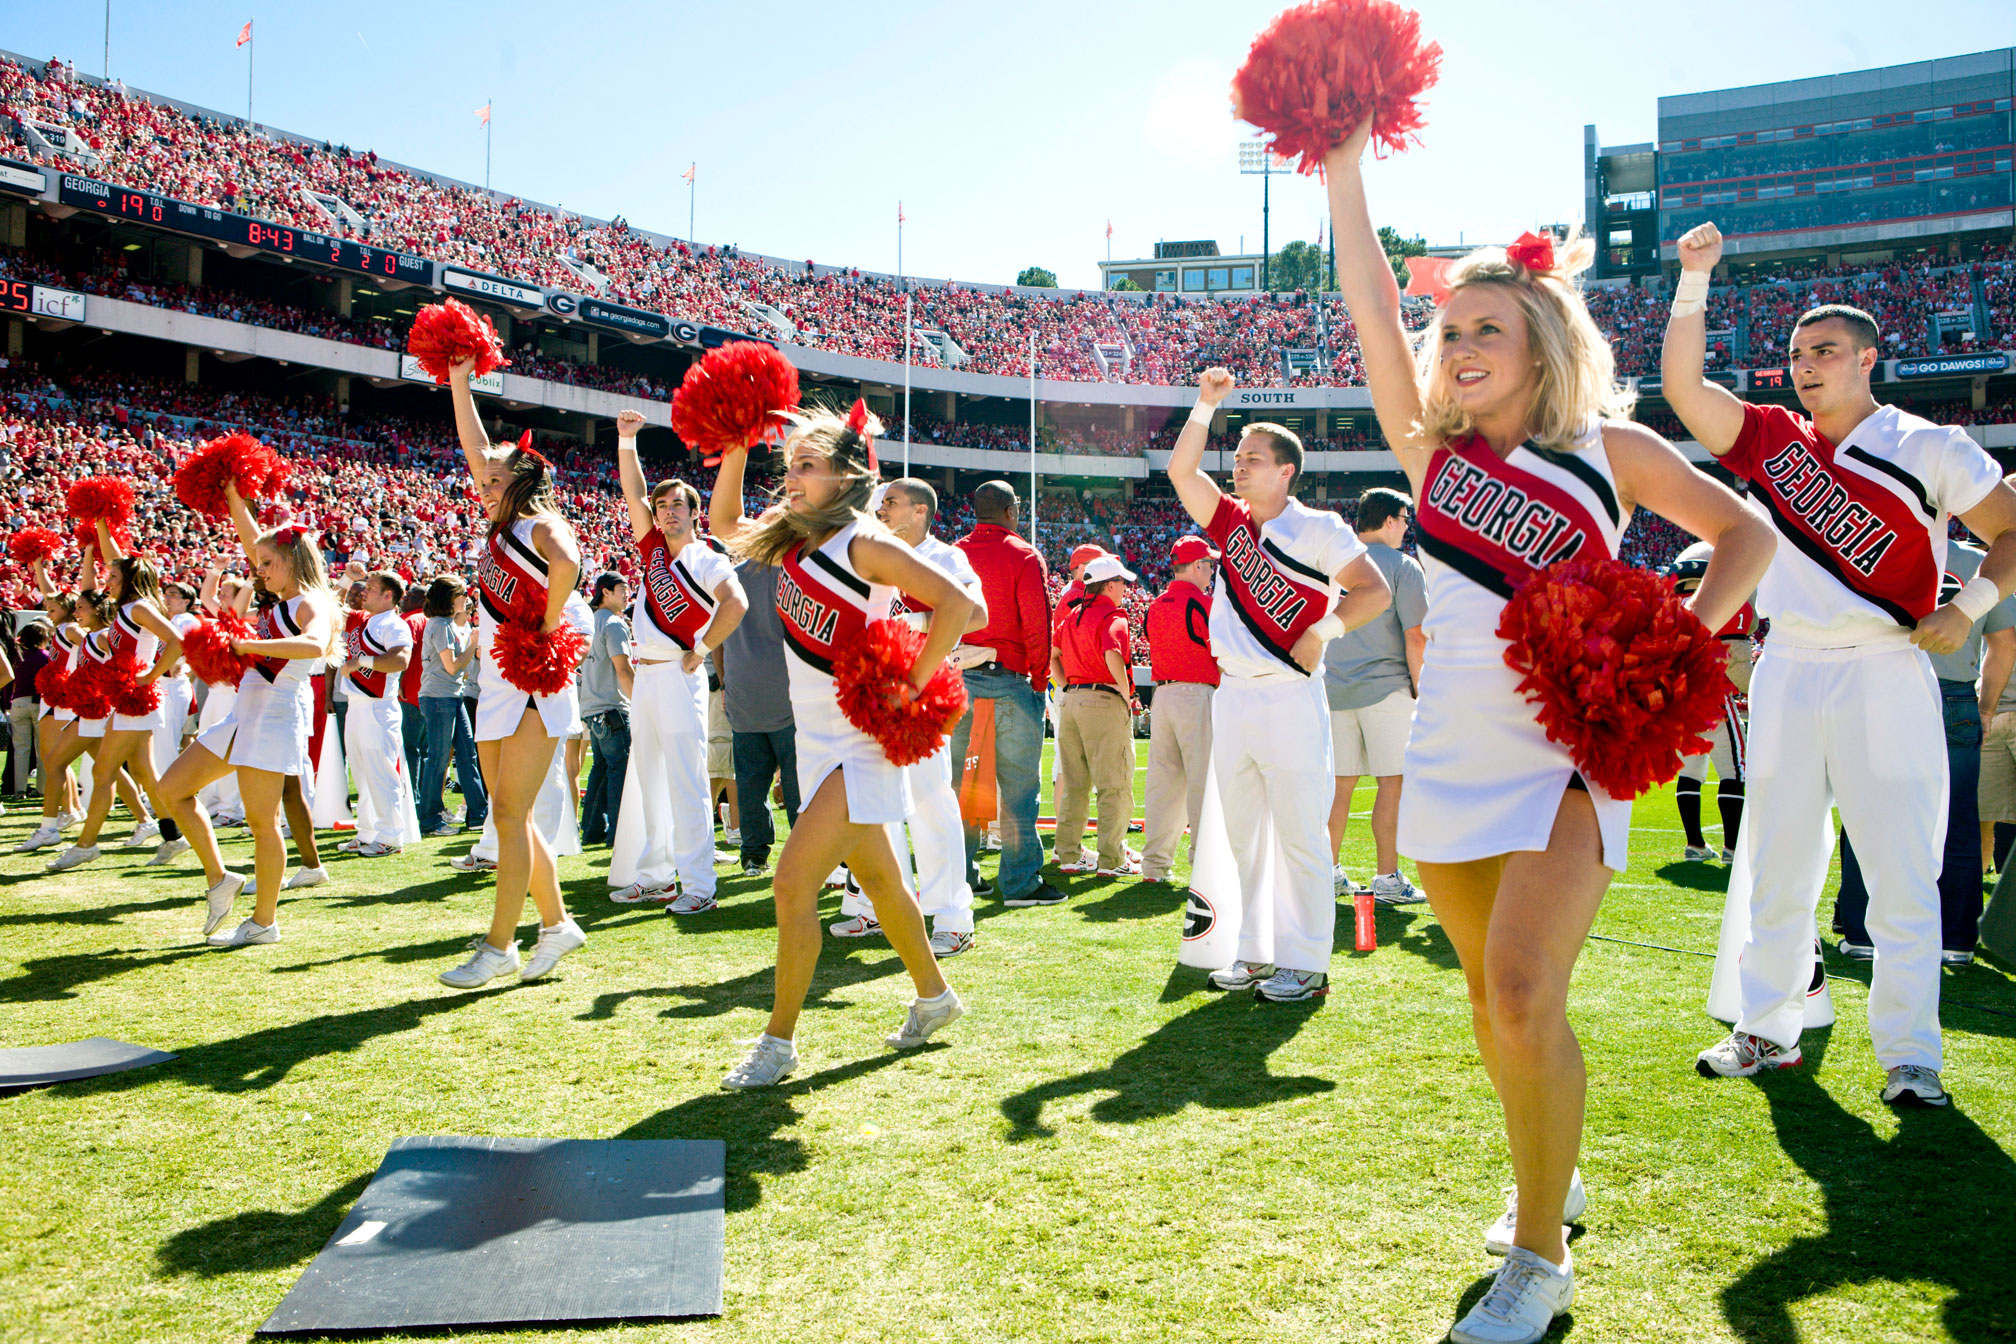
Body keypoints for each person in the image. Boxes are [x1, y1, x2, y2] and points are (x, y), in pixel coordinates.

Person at [1331, 122, 1773, 1343]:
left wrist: (1675, 641)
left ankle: (1540, 1257)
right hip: (1452, 746)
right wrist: (1343, 176)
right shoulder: (1429, 457)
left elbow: (1750, 537)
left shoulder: (1611, 450)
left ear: (1540, 340)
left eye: (1487, 328)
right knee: (1490, 1004)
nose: (1460, 347)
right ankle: (1549, 1168)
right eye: (1451, 331)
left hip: (1570, 751)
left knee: (1525, 992)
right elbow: (1370, 301)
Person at [1667, 221, 2016, 1112]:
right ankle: (1767, 1028)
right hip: (1786, 667)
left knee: (1902, 872)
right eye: (1794, 353)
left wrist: (1967, 607)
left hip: (1885, 669)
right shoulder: (1773, 440)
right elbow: (1682, 390)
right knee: (1778, 867)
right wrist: (1695, 280)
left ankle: (1912, 1055)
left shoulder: (1929, 443)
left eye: (1824, 350)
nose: (1803, 365)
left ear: (1869, 357)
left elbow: (2011, 528)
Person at [708, 404, 975, 1088]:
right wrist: (737, 444)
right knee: (883, 882)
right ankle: (935, 996)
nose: (791, 478)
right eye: (788, 464)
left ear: (846, 475)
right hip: (813, 737)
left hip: (860, 740)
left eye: (807, 466)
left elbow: (960, 608)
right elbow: (723, 527)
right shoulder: (794, 538)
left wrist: (911, 686)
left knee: (794, 882)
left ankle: (778, 1043)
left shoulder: (865, 543)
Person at [1168, 381, 1393, 1004]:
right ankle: (1257, 951)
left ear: (1286, 471)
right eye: (1237, 459)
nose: (1239, 466)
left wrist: (1323, 630)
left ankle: (1307, 961)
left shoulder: (1320, 526)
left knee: (1300, 832)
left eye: (1253, 459)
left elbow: (1374, 592)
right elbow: (1181, 469)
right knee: (1245, 836)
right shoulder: (1231, 524)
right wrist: (1206, 405)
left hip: (1291, 697)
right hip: (1232, 695)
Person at [434, 358, 591, 988]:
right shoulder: (502, 524)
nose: (482, 482)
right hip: (499, 685)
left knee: (506, 815)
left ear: (522, 482)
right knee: (514, 816)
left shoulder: (536, 523)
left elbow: (570, 563)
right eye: (482, 477)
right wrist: (459, 382)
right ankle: (557, 925)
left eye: (494, 478)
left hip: (532, 683)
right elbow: (475, 446)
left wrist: (549, 625)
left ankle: (500, 945)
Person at [155, 486, 340, 947]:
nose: (258, 571)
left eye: (267, 564)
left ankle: (263, 922)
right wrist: (234, 494)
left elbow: (317, 645)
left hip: (276, 716)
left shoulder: (310, 602)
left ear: (292, 561)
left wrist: (249, 645)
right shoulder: (278, 597)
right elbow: (252, 537)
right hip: (243, 715)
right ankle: (221, 879)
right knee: (171, 790)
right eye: (256, 564)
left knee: (263, 822)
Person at [835, 478, 988, 955]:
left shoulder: (945, 557)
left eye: (892, 503)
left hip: (923, 689)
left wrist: (917, 622)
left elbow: (977, 613)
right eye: (880, 503)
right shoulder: (873, 555)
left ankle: (952, 915)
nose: (881, 510)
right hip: (876, 689)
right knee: (875, 800)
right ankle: (877, 909)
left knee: (928, 800)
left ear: (920, 511)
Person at [608, 407, 747, 910]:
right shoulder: (652, 552)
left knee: (687, 782)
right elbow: (632, 492)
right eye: (661, 504)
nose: (667, 511)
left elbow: (736, 604)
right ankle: (657, 873)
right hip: (645, 676)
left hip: (678, 673)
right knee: (649, 778)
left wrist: (703, 650)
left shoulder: (708, 557)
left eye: (677, 505)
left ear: (694, 512)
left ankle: (700, 886)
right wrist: (628, 441)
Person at [948, 481, 1066, 908]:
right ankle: (1018, 882)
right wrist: (1038, 681)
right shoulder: (1022, 554)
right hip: (1010, 678)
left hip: (961, 679)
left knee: (961, 788)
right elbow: (1037, 623)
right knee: (1017, 788)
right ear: (1012, 510)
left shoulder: (954, 553)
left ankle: (959, 878)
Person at [46, 520, 187, 872]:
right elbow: (115, 558)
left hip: (136, 700)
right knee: (143, 771)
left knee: (105, 770)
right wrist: (100, 521)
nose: (107, 580)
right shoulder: (125, 608)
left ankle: (86, 844)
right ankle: (174, 836)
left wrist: (151, 675)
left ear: (128, 580)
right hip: (128, 700)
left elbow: (177, 640)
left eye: (112, 577)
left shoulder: (140, 607)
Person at [1323, 486, 1427, 904]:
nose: (1406, 527)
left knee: (1339, 786)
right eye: (1405, 519)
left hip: (1334, 689)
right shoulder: (1404, 565)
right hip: (1386, 688)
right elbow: (1416, 637)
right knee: (1392, 783)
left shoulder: (1334, 564)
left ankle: (1326, 873)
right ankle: (1387, 878)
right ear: (1389, 520)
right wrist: (1421, 689)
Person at [1664, 542, 1756, 864]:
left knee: (1690, 773)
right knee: (1734, 771)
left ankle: (1695, 845)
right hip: (1717, 703)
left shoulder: (1671, 610)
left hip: (1684, 709)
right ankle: (1731, 848)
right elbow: (1740, 667)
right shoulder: (1732, 608)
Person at [1051, 555, 1140, 878]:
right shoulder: (1114, 616)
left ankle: (1070, 854)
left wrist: (1067, 686)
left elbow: (1053, 657)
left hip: (1072, 699)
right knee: (1113, 785)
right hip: (1103, 701)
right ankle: (1111, 859)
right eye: (1122, 584)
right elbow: (1113, 653)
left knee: (1075, 785)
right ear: (1111, 585)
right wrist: (1125, 693)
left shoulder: (1072, 615)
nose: (1125, 590)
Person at [1140, 536, 1218, 884]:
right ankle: (1203, 864)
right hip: (1196, 695)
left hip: (1163, 696)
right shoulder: (1203, 603)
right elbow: (1220, 653)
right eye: (1209, 564)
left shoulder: (1155, 604)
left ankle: (1154, 866)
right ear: (1197, 566)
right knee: (1202, 782)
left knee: (1162, 784)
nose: (1213, 570)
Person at [722, 554, 799, 877]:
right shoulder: (794, 573)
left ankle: (754, 855)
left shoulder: (728, 576)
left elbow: (718, 635)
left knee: (751, 783)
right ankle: (807, 854)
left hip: (743, 692)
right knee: (799, 783)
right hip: (787, 691)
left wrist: (727, 680)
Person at [339, 570, 419, 858]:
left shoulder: (393, 623)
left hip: (377, 706)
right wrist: (348, 578)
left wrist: (362, 661)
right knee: (361, 774)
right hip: (357, 705)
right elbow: (334, 605)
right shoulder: (364, 619)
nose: (363, 592)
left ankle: (390, 836)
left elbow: (400, 660)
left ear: (388, 595)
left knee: (381, 773)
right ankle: (367, 831)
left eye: (371, 588)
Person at [417, 574, 483, 836]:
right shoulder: (442, 625)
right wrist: (472, 645)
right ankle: (430, 819)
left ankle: (478, 812)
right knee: (439, 758)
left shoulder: (444, 624)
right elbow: (452, 665)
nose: (466, 600)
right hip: (439, 697)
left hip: (450, 695)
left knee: (468, 754)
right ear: (450, 598)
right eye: (462, 595)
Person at [577, 572, 634, 847]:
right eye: (622, 589)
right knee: (619, 771)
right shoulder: (613, 624)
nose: (628, 593)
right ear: (605, 592)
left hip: (592, 707)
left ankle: (591, 830)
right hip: (613, 709)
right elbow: (623, 669)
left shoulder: (590, 621)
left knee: (600, 770)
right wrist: (638, 702)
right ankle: (618, 835)